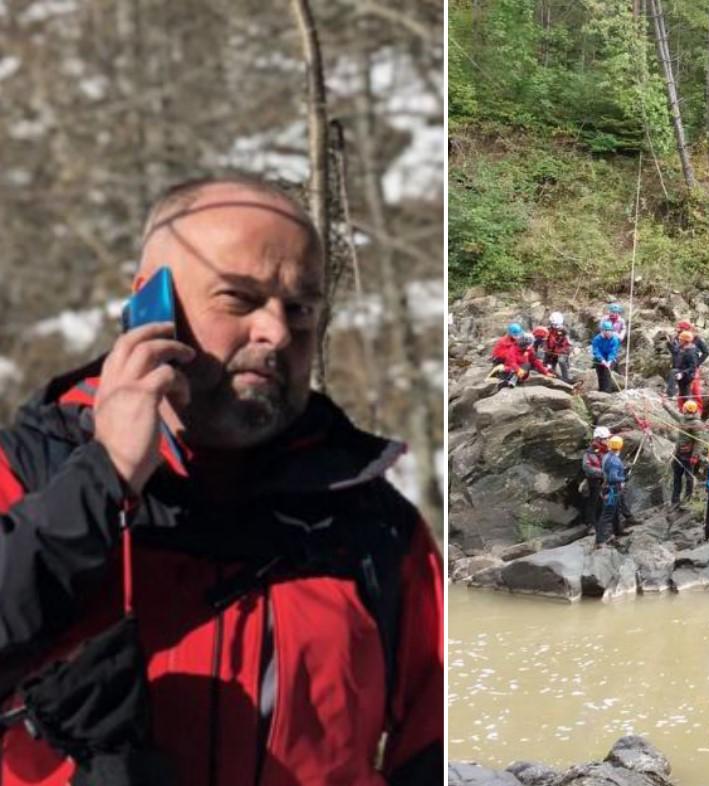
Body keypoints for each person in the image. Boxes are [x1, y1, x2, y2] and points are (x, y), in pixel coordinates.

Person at [0, 176, 443, 786]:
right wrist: (106, 478)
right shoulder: (26, 472)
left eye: (301, 309)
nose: (278, 334)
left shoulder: (378, 528)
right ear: (148, 307)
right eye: (239, 299)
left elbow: (429, 747)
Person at [661, 399, 704, 506]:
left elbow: (699, 442)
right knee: (677, 476)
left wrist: (695, 456)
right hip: (679, 453)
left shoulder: (696, 424)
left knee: (689, 477)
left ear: (686, 410)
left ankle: (687, 499)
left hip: (688, 455)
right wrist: (665, 404)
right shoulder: (683, 419)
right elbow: (673, 413)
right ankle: (675, 500)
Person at [595, 436, 632, 547]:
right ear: (620, 446)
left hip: (610, 489)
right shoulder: (614, 461)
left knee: (616, 511)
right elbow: (612, 478)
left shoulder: (607, 456)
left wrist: (623, 471)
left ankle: (618, 531)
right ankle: (600, 540)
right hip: (612, 490)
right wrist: (624, 478)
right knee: (607, 514)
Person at [665, 320, 709, 399]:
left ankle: (695, 408)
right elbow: (676, 352)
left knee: (694, 389)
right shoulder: (677, 338)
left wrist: (697, 363)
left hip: (691, 367)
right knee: (683, 389)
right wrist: (669, 344)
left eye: (680, 330)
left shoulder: (696, 339)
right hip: (679, 366)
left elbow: (706, 352)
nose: (678, 333)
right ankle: (683, 407)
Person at [582, 426, 610, 532]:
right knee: (593, 502)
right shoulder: (589, 453)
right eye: (605, 438)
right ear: (598, 439)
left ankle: (604, 524)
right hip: (594, 481)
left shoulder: (607, 451)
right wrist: (603, 473)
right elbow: (587, 468)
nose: (607, 440)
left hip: (605, 481)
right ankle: (591, 525)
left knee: (606, 502)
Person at [591, 320, 620, 393]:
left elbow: (613, 351)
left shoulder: (615, 339)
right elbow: (596, 351)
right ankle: (601, 390)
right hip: (600, 359)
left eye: (610, 331)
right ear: (603, 331)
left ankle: (607, 391)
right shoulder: (597, 339)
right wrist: (602, 360)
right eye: (607, 331)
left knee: (607, 373)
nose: (609, 333)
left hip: (611, 359)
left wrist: (609, 361)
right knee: (600, 374)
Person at [671, 330, 699, 405]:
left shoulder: (692, 353)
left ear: (685, 341)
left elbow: (692, 367)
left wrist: (682, 374)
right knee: (682, 393)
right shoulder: (681, 347)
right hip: (680, 372)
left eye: (681, 340)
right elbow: (674, 351)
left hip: (687, 376)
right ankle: (685, 409)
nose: (679, 341)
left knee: (686, 393)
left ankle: (691, 409)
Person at [544, 312, 572, 383]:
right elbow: (546, 341)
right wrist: (547, 349)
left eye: (555, 324)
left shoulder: (564, 332)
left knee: (561, 360)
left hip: (561, 352)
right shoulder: (548, 330)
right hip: (550, 351)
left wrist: (558, 352)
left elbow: (566, 345)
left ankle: (566, 378)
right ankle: (552, 375)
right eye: (553, 324)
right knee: (547, 364)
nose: (554, 325)